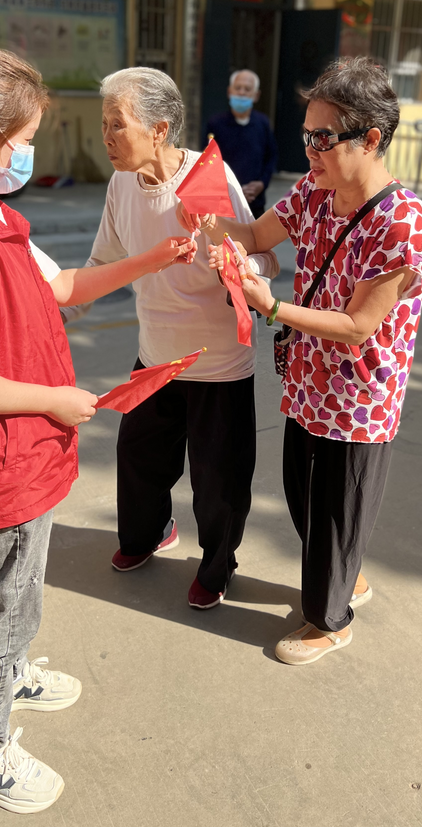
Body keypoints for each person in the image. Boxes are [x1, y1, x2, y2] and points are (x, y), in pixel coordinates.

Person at [0, 47, 195, 813]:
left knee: (20, 588)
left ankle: (11, 671)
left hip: (25, 454)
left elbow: (60, 287)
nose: (29, 154)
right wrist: (53, 401)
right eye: (23, 140)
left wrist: (153, 257)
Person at [181, 57, 422, 665]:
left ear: (371, 139)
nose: (312, 151)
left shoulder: (403, 223)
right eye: (307, 137)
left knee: (336, 513)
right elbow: (258, 236)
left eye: (325, 138)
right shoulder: (313, 194)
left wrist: (273, 307)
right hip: (307, 387)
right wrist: (200, 218)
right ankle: (348, 575)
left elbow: (358, 326)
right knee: (304, 501)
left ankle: (330, 619)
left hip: (360, 399)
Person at [64, 66, 279, 610]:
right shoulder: (120, 185)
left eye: (118, 124)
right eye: (104, 123)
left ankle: (217, 565)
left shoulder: (211, 180)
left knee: (217, 483)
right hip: (156, 359)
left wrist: (235, 260)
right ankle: (149, 534)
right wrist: (64, 309)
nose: (107, 137)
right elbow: (103, 262)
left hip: (218, 366)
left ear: (160, 129)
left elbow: (265, 256)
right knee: (138, 460)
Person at [204, 69, 278, 218]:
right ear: (229, 91)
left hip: (254, 202)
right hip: (224, 203)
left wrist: (262, 184)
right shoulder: (216, 124)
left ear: (256, 95)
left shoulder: (262, 124)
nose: (242, 92)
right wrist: (234, 190)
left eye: (247, 89)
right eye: (238, 88)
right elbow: (208, 162)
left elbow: (271, 158)